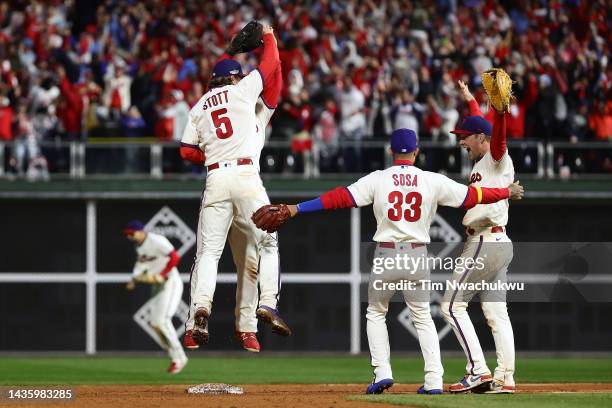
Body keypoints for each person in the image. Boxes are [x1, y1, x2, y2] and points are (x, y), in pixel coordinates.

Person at [252, 128, 524, 395]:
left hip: (386, 254)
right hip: (418, 255)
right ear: (416, 152)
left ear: (391, 152)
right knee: (423, 317)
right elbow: (473, 196)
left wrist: (297, 208)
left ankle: (382, 373)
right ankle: (433, 380)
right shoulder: (431, 179)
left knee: (376, 313)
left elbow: (338, 198)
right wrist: (504, 192)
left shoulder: (378, 179)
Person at [179, 24, 290, 348]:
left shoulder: (198, 106)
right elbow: (271, 70)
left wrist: (213, 155)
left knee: (207, 255)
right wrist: (269, 36)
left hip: (215, 177)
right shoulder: (242, 93)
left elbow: (186, 150)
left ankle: (200, 310)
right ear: (234, 78)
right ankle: (268, 301)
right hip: (246, 179)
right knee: (268, 243)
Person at [441, 109, 517, 394]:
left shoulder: (496, 158)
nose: (461, 142)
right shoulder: (484, 162)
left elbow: (498, 138)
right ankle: (505, 378)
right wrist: (471, 100)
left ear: (481, 137)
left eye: (465, 137)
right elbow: (481, 124)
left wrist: (500, 112)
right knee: (497, 313)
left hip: (485, 240)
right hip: (498, 242)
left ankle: (478, 371)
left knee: (451, 305)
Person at [123, 220, 188, 374]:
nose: (130, 237)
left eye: (131, 233)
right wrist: (133, 280)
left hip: (170, 282)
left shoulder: (156, 240)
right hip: (157, 285)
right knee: (155, 323)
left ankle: (180, 357)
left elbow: (174, 257)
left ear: (141, 231)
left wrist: (162, 274)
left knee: (163, 321)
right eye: (128, 235)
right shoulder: (139, 247)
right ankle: (174, 357)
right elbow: (140, 267)